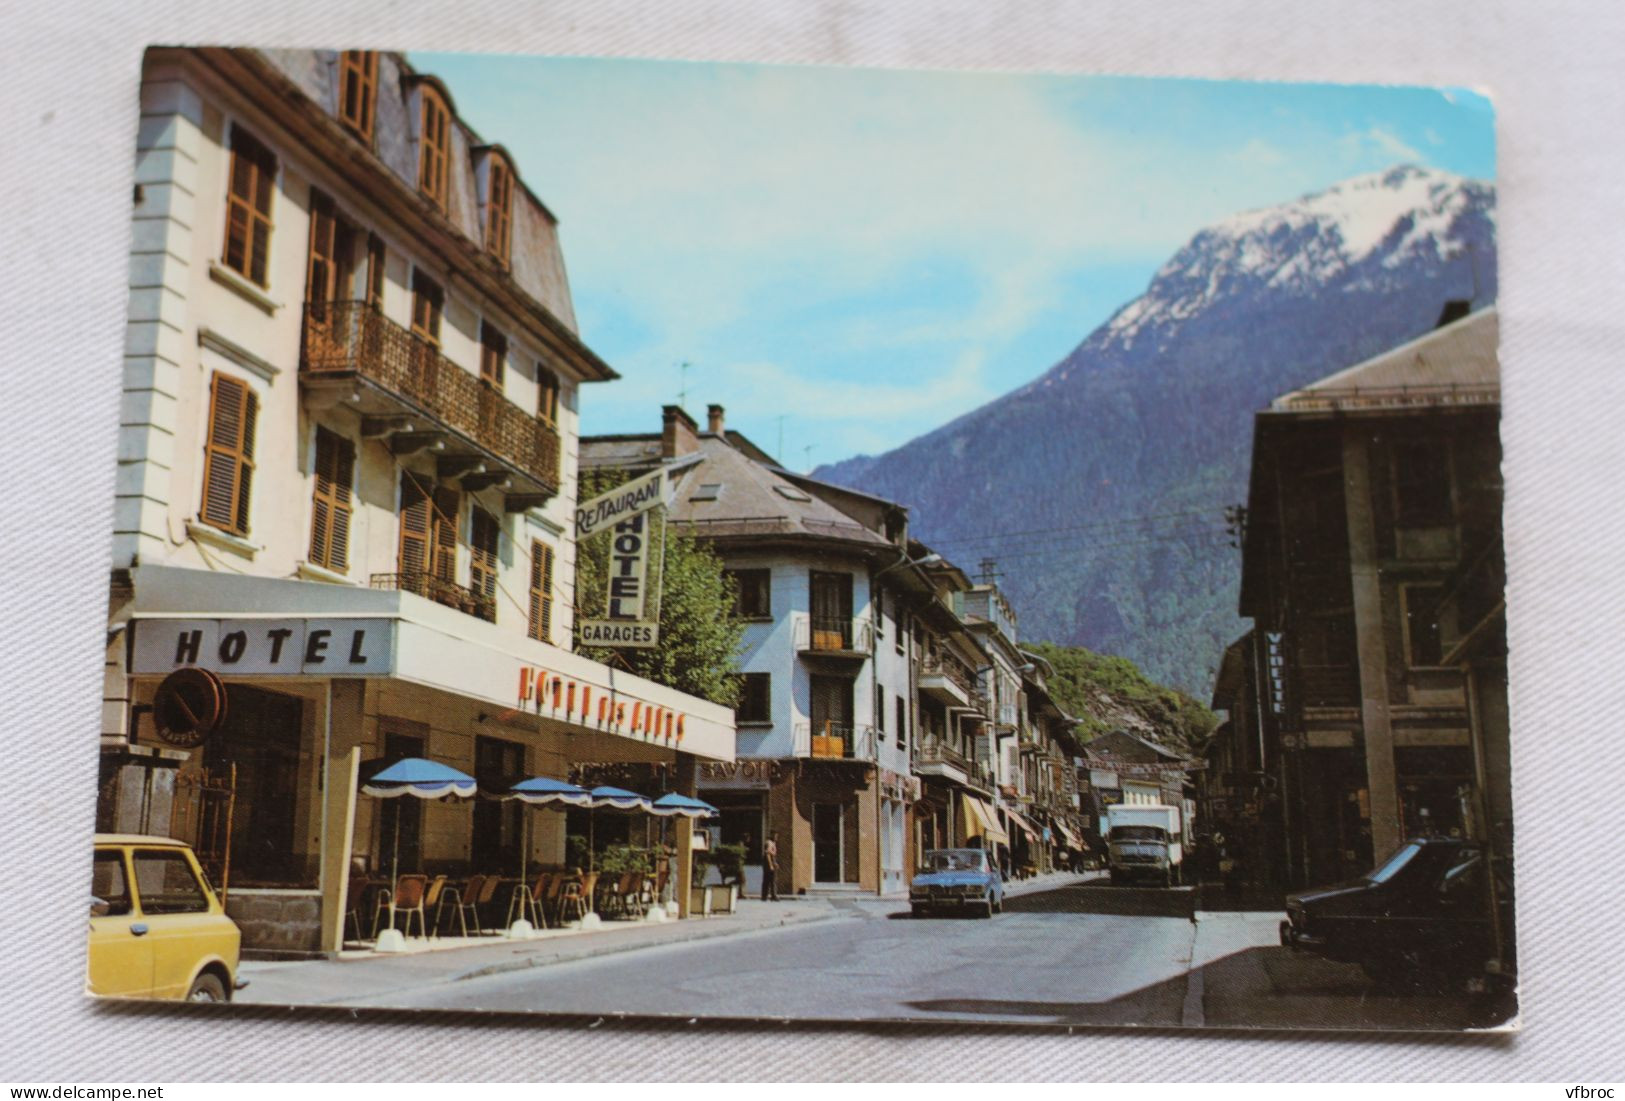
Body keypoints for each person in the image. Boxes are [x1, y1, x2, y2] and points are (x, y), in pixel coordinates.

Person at [761, 831, 780, 901]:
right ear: (771, 835)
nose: (776, 837)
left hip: (770, 864)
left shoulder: (772, 843)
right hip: (768, 864)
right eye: (775, 836)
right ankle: (773, 896)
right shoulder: (769, 842)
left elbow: (772, 855)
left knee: (767, 880)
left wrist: (775, 863)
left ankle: (764, 896)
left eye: (777, 836)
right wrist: (771, 865)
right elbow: (767, 854)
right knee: (772, 880)